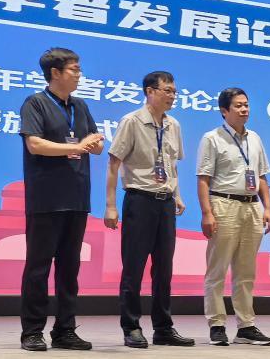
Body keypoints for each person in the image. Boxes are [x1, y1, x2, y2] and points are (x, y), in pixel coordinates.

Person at [19, 47, 104, 351]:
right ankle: (32, 331)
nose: (79, 75)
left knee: (69, 268)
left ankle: (65, 329)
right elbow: (35, 144)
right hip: (46, 199)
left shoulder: (80, 106)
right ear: (55, 73)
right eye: (74, 70)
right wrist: (79, 146)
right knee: (38, 267)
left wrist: (91, 144)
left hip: (77, 197)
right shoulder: (36, 103)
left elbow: (95, 143)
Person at [104, 71, 195, 348]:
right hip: (139, 201)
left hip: (165, 203)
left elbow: (172, 164)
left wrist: (177, 194)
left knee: (164, 269)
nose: (172, 96)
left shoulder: (173, 125)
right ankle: (131, 326)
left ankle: (163, 328)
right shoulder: (131, 121)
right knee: (134, 267)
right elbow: (114, 164)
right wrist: (110, 206)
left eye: (174, 91)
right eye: (167, 90)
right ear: (150, 91)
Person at [197, 88, 270, 346]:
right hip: (224, 204)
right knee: (217, 269)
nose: (244, 110)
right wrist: (207, 213)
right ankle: (217, 324)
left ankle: (246, 326)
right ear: (224, 111)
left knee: (246, 271)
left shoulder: (255, 138)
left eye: (246, 105)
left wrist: (268, 208)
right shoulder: (212, 138)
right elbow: (203, 179)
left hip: (252, 207)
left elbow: (261, 176)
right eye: (238, 106)